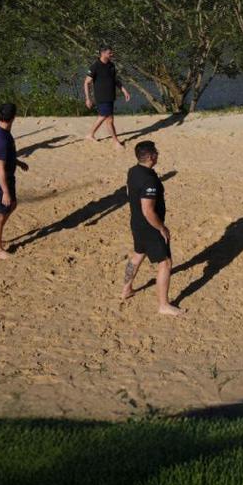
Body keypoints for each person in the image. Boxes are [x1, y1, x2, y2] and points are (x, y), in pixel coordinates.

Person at [121, 140, 181, 314]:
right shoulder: (149, 180)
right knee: (166, 263)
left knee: (138, 255)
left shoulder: (133, 171)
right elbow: (148, 210)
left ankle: (126, 289)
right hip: (150, 227)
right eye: (155, 152)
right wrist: (161, 228)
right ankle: (163, 305)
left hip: (136, 223)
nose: (157, 154)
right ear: (149, 157)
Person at [0, 102, 29, 260]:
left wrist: (17, 162)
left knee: (12, 205)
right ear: (14, 117)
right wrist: (5, 192)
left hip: (6, 176)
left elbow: (2, 156)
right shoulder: (1, 138)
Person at [84, 46, 131, 148]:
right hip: (101, 97)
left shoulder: (111, 65)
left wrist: (124, 90)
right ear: (103, 53)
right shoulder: (95, 66)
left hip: (110, 96)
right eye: (110, 53)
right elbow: (86, 82)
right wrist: (88, 99)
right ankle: (115, 141)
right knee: (109, 119)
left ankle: (90, 135)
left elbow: (115, 80)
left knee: (103, 117)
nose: (112, 54)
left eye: (111, 53)